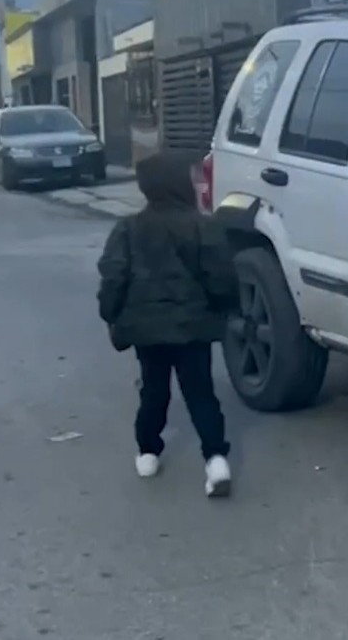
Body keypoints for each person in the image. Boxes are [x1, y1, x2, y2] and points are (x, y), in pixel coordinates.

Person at [96, 157, 239, 497]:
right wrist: (223, 310)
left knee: (153, 389)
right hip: (192, 325)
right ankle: (216, 459)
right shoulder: (203, 226)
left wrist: (110, 313)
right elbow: (222, 278)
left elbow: (113, 277)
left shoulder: (128, 229)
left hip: (146, 327)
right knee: (201, 392)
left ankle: (148, 452)